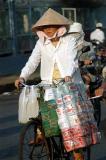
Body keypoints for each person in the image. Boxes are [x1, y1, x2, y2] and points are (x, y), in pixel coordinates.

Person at [15, 8, 100, 160]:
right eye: (45, 27)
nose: (48, 30)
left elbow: (72, 60)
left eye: (51, 26)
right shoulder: (41, 44)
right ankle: (42, 138)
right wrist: (22, 76)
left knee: (72, 125)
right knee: (45, 116)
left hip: (69, 86)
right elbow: (33, 61)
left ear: (59, 27)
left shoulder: (69, 41)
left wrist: (67, 74)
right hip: (49, 87)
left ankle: (77, 154)